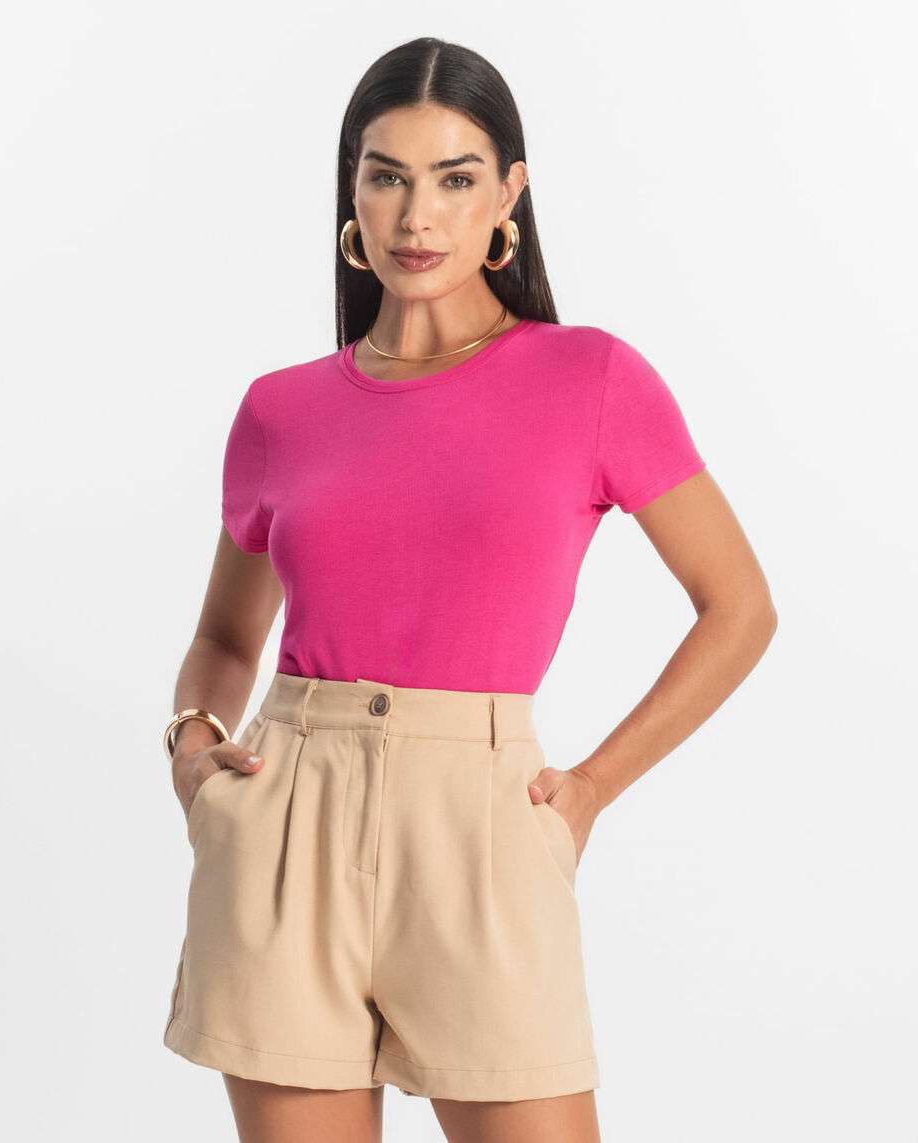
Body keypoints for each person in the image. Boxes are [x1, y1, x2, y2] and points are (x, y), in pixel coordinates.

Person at [160, 36, 778, 1143]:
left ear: (508, 195)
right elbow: (224, 635)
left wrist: (590, 788)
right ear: (352, 190)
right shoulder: (281, 410)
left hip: (482, 827)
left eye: (453, 178)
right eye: (386, 176)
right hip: (287, 820)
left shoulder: (591, 379)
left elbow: (738, 608)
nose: (416, 217)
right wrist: (193, 748)